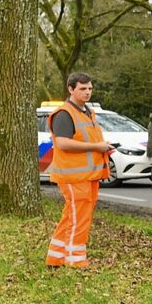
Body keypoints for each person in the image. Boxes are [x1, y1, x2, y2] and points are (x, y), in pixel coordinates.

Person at [45, 73, 113, 269]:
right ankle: (75, 261)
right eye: (83, 89)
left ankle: (56, 257)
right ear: (71, 89)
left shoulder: (87, 112)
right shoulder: (64, 114)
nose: (88, 92)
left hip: (87, 175)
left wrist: (101, 146)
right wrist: (96, 147)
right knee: (79, 218)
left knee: (72, 215)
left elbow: (85, 140)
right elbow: (63, 143)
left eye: (90, 88)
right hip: (73, 176)